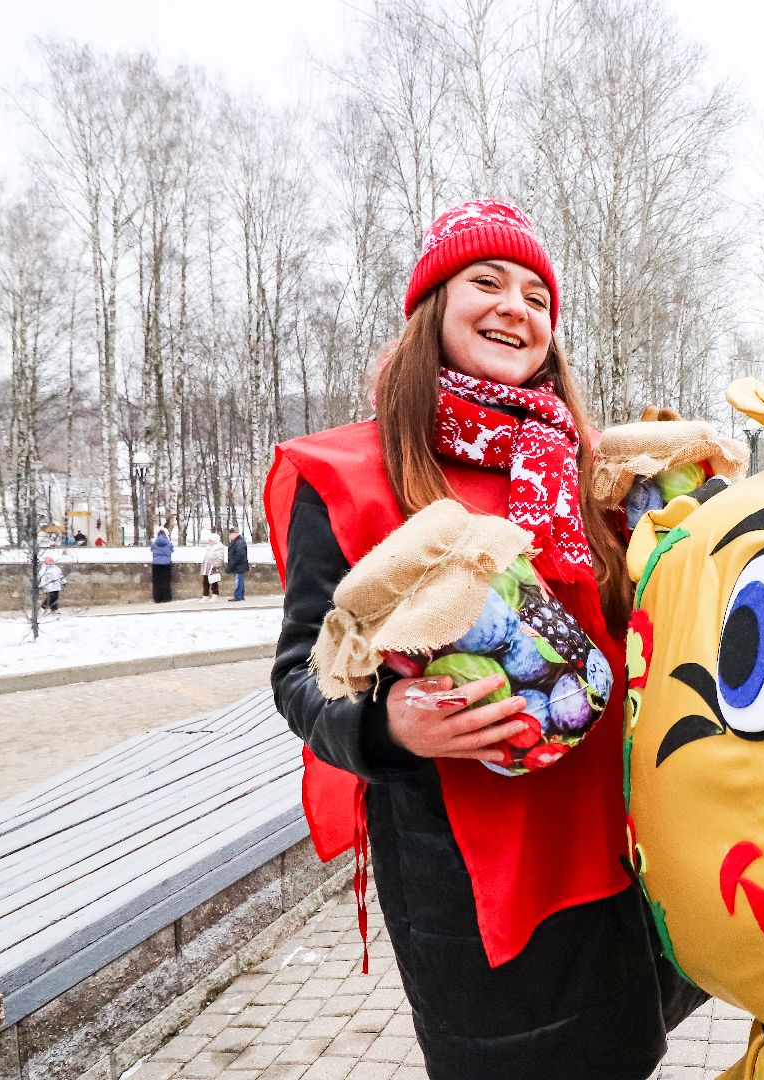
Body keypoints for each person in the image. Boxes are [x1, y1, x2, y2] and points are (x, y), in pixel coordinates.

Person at [264, 198, 697, 1078]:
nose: (517, 308)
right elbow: (301, 678)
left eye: (538, 297)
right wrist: (391, 727)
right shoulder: (349, 472)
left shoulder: (577, 466)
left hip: (615, 842)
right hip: (467, 874)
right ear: (433, 306)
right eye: (487, 282)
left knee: (623, 1058)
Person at [150, 527, 174, 603]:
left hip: (156, 564)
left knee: (157, 581)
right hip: (167, 563)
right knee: (166, 581)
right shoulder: (169, 543)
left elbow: (152, 550)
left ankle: (157, 598)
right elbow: (172, 550)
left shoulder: (154, 544)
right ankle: (166, 598)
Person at [225, 526, 249, 601]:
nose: (229, 536)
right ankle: (240, 595)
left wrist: (233, 563)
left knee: (238, 580)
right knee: (239, 580)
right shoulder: (238, 541)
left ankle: (238, 596)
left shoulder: (239, 542)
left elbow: (240, 554)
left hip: (239, 565)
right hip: (239, 565)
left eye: (230, 534)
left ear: (235, 534)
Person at [200, 533, 226, 600]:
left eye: (210, 540)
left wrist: (215, 565)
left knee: (214, 581)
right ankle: (205, 595)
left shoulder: (219, 548)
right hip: (206, 568)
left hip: (213, 568)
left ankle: (215, 594)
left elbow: (220, 559)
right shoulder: (208, 548)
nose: (209, 542)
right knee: (205, 582)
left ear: (215, 541)